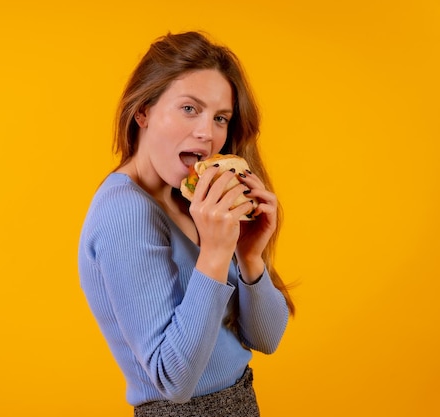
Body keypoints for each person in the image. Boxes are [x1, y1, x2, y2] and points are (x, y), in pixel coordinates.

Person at [78, 31, 295, 417]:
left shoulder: (194, 200)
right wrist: (213, 253)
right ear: (142, 111)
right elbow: (173, 381)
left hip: (242, 404)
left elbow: (266, 337)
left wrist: (249, 256)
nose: (206, 134)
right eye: (189, 109)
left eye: (220, 118)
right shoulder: (124, 212)